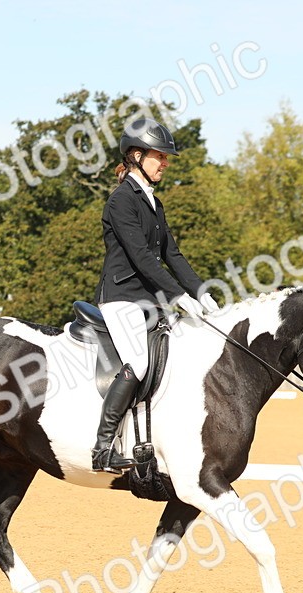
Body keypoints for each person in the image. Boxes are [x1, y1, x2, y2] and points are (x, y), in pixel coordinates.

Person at [91, 117, 219, 473]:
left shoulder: (154, 203)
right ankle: (102, 448)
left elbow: (172, 255)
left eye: (166, 157)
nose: (165, 162)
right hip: (121, 296)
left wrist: (202, 294)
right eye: (159, 156)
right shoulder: (121, 201)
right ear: (135, 156)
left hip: (148, 300)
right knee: (139, 361)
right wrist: (178, 297)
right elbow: (142, 257)